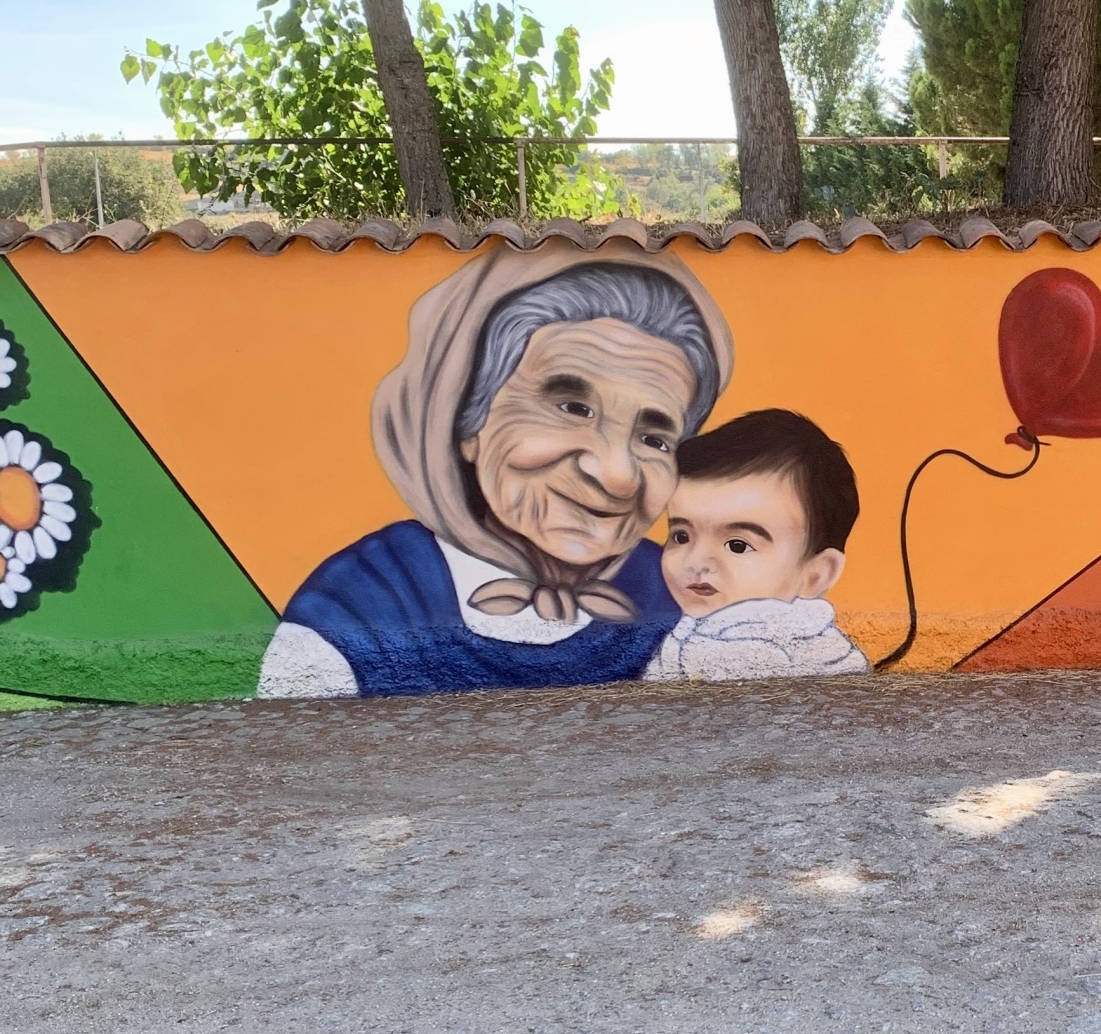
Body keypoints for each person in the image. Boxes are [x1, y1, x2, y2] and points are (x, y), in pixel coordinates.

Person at [258, 242, 729, 698]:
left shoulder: (679, 593)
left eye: (654, 439)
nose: (617, 475)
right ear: (467, 421)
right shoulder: (359, 606)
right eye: (572, 408)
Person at [646, 409, 869, 680]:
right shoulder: (698, 630)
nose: (696, 560)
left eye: (738, 545)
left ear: (816, 575)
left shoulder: (750, 648)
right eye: (682, 536)